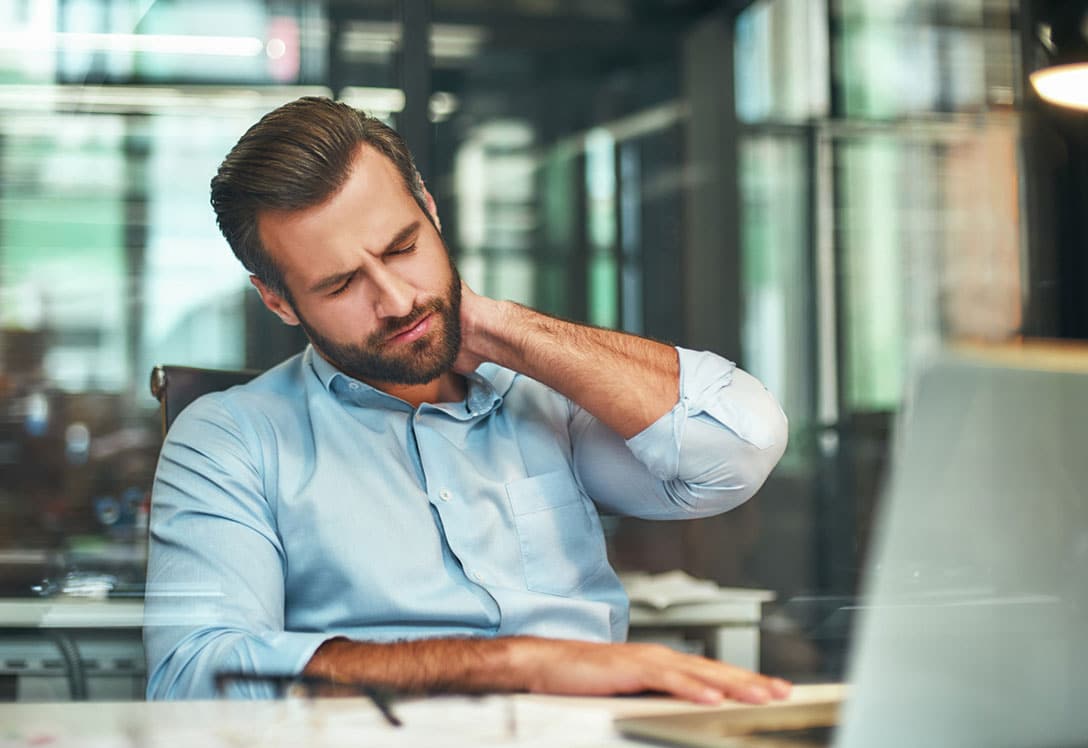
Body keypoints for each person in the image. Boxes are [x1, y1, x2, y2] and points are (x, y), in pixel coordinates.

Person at [144, 96, 791, 704]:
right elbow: (195, 675)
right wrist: (518, 664)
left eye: (403, 248)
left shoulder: (546, 400)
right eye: (341, 284)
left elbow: (737, 452)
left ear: (429, 208)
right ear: (278, 300)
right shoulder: (230, 437)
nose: (397, 301)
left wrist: (490, 326)